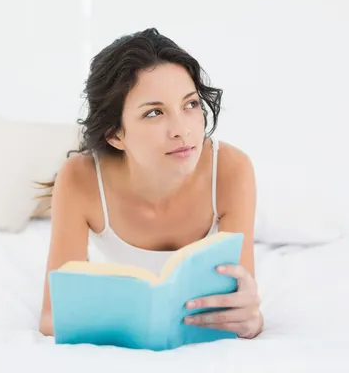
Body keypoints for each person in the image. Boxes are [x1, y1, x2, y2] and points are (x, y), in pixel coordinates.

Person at [38, 28, 262, 339]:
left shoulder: (232, 170)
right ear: (116, 134)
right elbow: (52, 317)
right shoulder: (79, 179)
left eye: (190, 104)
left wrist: (252, 320)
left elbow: (240, 308)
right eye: (154, 112)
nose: (181, 130)